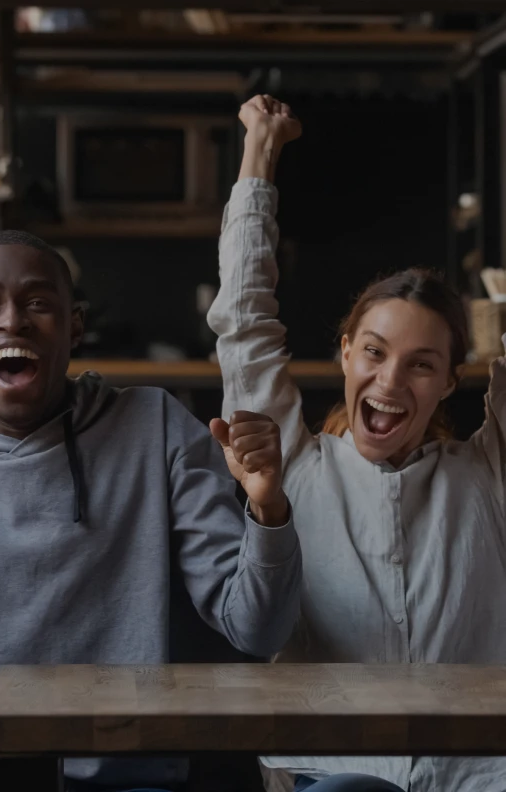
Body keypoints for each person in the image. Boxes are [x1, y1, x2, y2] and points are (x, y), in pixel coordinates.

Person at [0, 230, 302, 792]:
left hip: (127, 780)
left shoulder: (158, 428)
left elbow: (257, 631)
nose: (13, 321)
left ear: (74, 325)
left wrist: (267, 506)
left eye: (38, 303)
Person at [207, 94, 506, 792]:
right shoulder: (293, 466)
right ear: (345, 355)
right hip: (331, 775)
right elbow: (245, 321)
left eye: (421, 364)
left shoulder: (486, 478)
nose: (391, 379)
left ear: (448, 383)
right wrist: (260, 150)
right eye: (374, 351)